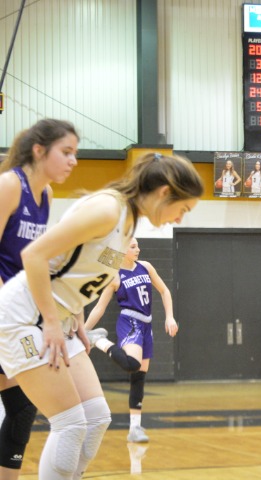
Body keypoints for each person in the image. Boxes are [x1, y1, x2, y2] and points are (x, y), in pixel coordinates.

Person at [0, 152, 203, 479]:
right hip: (22, 316)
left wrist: (77, 317)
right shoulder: (108, 209)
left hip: (58, 316)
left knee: (96, 418)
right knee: (69, 423)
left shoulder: (127, 222)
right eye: (184, 209)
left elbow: (73, 269)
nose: (180, 219)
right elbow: (35, 255)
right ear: (165, 192)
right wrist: (52, 321)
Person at [0, 119, 79, 480]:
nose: (73, 161)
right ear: (39, 150)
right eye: (66, 152)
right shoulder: (9, 185)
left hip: (16, 313)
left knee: (21, 410)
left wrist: (67, 309)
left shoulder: (45, 194)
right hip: (6, 312)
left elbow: (37, 261)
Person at [84, 237, 178, 443]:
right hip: (129, 321)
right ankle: (99, 341)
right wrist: (84, 331)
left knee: (139, 378)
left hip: (146, 324)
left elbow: (165, 290)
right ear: (122, 249)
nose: (138, 249)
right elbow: (99, 308)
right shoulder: (115, 276)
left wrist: (170, 316)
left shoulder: (146, 267)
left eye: (137, 246)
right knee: (132, 364)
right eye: (133, 246)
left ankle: (135, 429)